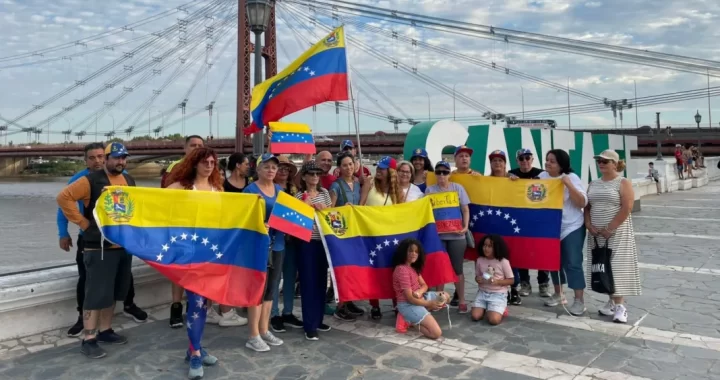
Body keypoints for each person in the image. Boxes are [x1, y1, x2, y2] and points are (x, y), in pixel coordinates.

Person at [57, 143, 147, 337]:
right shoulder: (89, 180)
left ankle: (106, 330)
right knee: (95, 293)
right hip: (98, 247)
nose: (120, 161)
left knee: (114, 292)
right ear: (106, 159)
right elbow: (64, 198)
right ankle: (89, 338)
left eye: (123, 157)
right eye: (115, 157)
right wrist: (83, 224)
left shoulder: (129, 180)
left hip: (121, 245)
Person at [165, 147, 223, 379]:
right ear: (194, 164)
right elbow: (158, 204)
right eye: (205, 162)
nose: (209, 166)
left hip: (210, 253)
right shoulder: (181, 188)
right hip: (189, 253)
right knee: (196, 302)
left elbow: (228, 216)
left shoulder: (218, 189)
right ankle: (196, 352)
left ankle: (193, 348)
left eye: (212, 162)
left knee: (204, 304)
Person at [585, 150, 641, 324]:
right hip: (596, 234)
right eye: (599, 161)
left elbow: (627, 207)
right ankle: (611, 301)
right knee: (603, 265)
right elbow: (587, 207)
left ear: (615, 164)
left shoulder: (623, 182)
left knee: (616, 267)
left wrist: (611, 227)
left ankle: (620, 307)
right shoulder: (593, 183)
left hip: (617, 233)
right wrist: (589, 225)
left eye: (605, 161)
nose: (601, 163)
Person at [243, 154, 286, 351]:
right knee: (257, 290)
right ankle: (253, 334)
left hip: (278, 245)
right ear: (258, 169)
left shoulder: (280, 190)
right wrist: (260, 224)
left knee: (271, 289)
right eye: (266, 166)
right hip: (258, 247)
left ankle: (264, 329)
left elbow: (288, 215)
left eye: (274, 168)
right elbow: (242, 219)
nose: (271, 170)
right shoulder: (250, 191)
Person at [538, 150, 588, 315]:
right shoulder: (542, 177)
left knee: (573, 262)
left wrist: (568, 184)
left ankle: (579, 300)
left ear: (561, 164)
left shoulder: (572, 177)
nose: (548, 163)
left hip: (572, 226)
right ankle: (559, 294)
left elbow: (582, 202)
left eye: (552, 161)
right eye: (547, 160)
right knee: (554, 263)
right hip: (551, 228)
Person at [163, 135, 206, 329]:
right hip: (181, 227)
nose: (196, 148)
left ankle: (194, 306)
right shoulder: (176, 168)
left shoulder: (208, 167)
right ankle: (176, 307)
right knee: (179, 270)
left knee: (198, 269)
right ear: (185, 148)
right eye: (193, 145)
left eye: (200, 146)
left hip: (203, 228)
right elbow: (164, 197)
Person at [425, 160, 471, 313]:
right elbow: (426, 214)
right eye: (438, 172)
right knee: (439, 269)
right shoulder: (429, 191)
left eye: (445, 172)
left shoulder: (458, 188)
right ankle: (439, 300)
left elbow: (465, 209)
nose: (442, 175)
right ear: (435, 174)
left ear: (449, 174)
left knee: (458, 268)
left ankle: (462, 300)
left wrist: (465, 227)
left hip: (457, 236)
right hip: (438, 237)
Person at [361, 156, 404, 319]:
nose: (379, 170)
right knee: (374, 271)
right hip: (372, 236)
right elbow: (361, 205)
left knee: (393, 271)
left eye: (383, 168)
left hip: (391, 238)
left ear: (391, 172)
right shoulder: (369, 184)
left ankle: (397, 303)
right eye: (378, 167)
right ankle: (374, 305)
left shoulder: (397, 191)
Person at [295, 161, 333, 340]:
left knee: (320, 283)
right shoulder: (298, 196)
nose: (315, 177)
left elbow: (330, 215)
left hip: (323, 242)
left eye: (317, 174)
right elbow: (296, 222)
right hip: (307, 242)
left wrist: (321, 208)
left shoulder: (325, 194)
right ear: (304, 177)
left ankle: (318, 319)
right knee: (308, 283)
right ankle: (309, 324)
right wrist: (306, 207)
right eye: (311, 174)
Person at [508, 148, 550, 298]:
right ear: (517, 161)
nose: (525, 161)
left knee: (541, 249)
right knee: (523, 249)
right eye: (521, 158)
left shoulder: (542, 174)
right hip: (520, 218)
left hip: (539, 217)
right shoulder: (511, 174)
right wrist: (508, 180)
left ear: (532, 159)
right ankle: (525, 283)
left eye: (527, 158)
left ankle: (543, 283)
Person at [328, 152, 365, 321]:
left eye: (351, 164)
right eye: (345, 165)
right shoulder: (336, 187)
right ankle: (340, 306)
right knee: (342, 271)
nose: (349, 167)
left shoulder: (358, 184)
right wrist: (344, 211)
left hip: (355, 233)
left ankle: (349, 301)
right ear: (339, 168)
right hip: (342, 235)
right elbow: (330, 212)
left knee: (352, 270)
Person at [270, 155, 303, 333]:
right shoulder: (270, 189)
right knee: (275, 279)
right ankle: (274, 314)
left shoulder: (294, 189)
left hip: (292, 239)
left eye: (286, 168)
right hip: (276, 239)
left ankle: (288, 311)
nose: (283, 170)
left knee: (290, 277)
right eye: (280, 167)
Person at [488, 150, 522, 306]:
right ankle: (489, 287)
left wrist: (517, 183)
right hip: (493, 224)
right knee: (491, 259)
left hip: (509, 225)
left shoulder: (513, 179)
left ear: (505, 163)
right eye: (494, 160)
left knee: (510, 259)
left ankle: (514, 289)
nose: (497, 163)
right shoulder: (485, 181)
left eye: (500, 160)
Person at [392, 238, 444, 339]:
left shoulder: (413, 268)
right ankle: (408, 320)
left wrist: (419, 292)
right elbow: (410, 299)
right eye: (410, 251)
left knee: (444, 296)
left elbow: (425, 285)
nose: (414, 254)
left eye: (416, 251)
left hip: (419, 298)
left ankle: (421, 312)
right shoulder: (402, 270)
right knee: (436, 333)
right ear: (403, 252)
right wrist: (430, 303)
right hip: (408, 305)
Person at [471, 235, 514, 325]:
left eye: (490, 246)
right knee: (475, 316)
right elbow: (477, 276)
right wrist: (477, 279)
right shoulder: (479, 260)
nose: (486, 248)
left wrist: (498, 282)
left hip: (498, 294)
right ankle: (487, 307)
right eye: (484, 245)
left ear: (497, 248)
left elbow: (511, 280)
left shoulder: (503, 262)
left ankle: (500, 308)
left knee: (494, 320)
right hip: (482, 292)